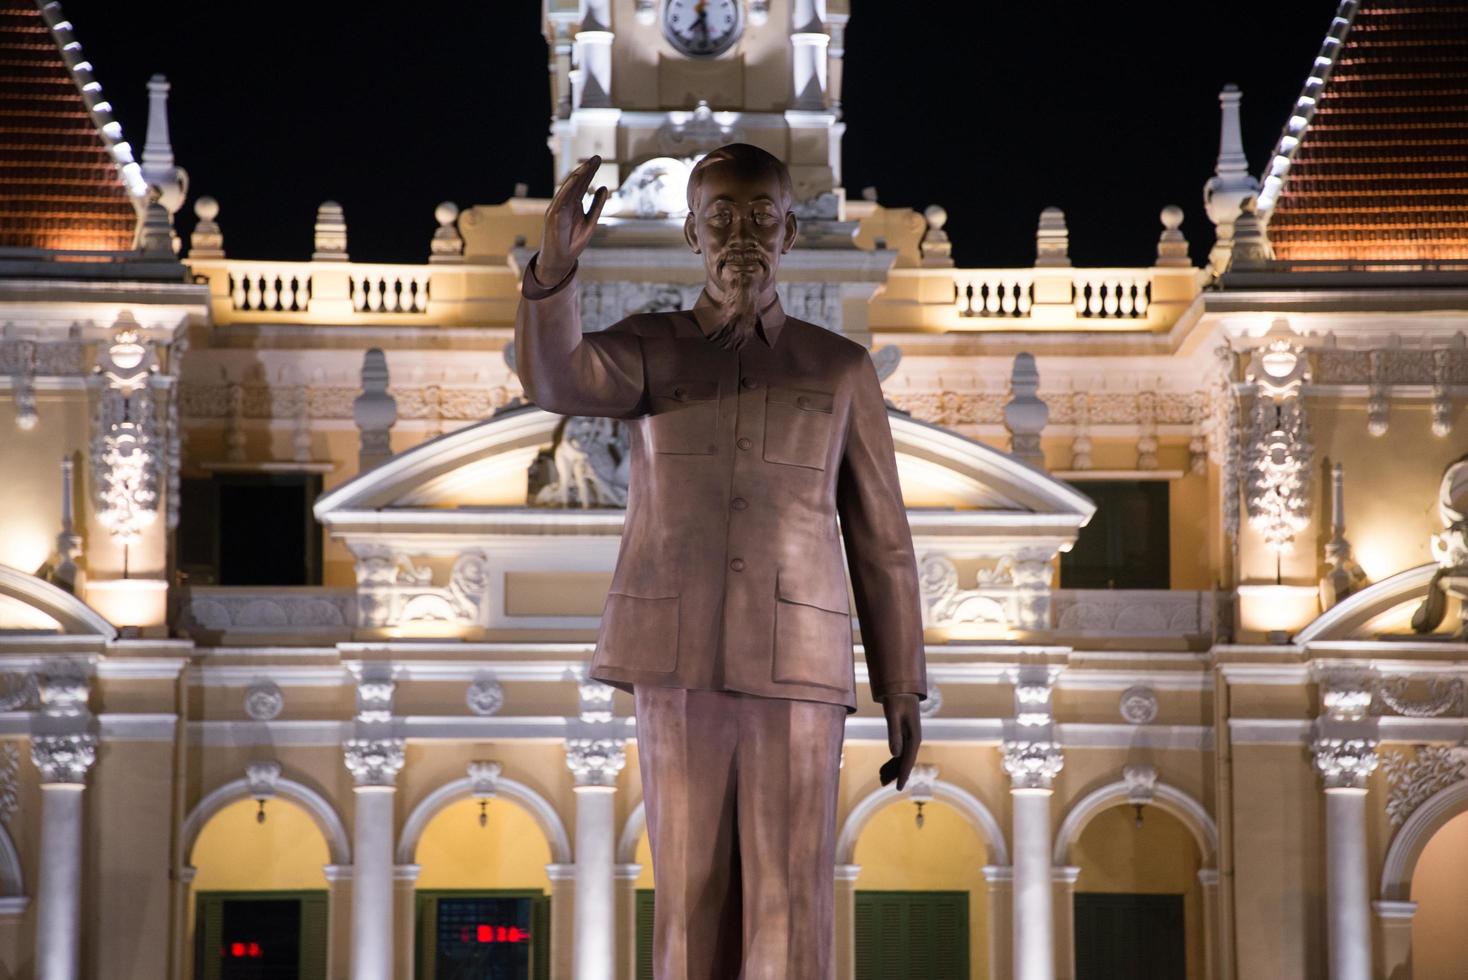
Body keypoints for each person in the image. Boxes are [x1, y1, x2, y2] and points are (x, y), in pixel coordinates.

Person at [515, 144, 926, 979]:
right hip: (680, 657)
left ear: (790, 231)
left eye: (759, 215)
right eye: (722, 217)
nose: (741, 234)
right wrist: (555, 267)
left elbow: (881, 540)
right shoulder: (647, 349)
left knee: (789, 899)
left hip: (800, 661)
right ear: (692, 233)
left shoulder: (840, 369)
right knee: (691, 893)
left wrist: (902, 685)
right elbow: (552, 376)